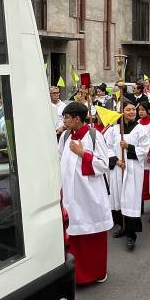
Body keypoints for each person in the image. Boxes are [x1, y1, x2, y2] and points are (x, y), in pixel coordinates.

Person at [57, 102, 113, 284]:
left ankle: (96, 272)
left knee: (92, 235)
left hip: (89, 195)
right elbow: (58, 160)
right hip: (70, 195)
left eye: (67, 117)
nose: (64, 120)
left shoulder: (94, 136)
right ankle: (76, 275)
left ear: (77, 119)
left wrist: (83, 154)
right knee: (73, 235)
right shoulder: (65, 136)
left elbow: (105, 164)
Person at [104, 101, 150, 252]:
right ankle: (122, 226)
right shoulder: (114, 129)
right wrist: (116, 160)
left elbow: (144, 149)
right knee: (117, 198)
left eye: (133, 109)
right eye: (128, 109)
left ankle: (132, 234)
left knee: (130, 200)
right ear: (121, 111)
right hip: (118, 168)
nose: (131, 112)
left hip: (132, 169)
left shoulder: (140, 129)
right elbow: (107, 147)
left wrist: (128, 147)